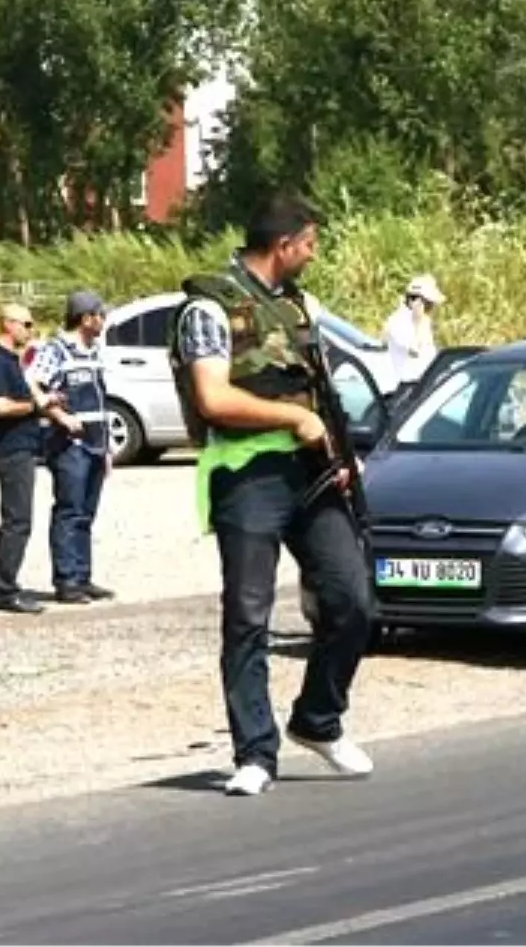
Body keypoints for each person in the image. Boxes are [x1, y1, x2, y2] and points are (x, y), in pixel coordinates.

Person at [171, 193, 374, 798]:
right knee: (247, 619)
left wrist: (337, 450)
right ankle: (255, 753)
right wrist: (290, 420)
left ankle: (317, 719)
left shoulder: (298, 306)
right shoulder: (208, 310)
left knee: (352, 599)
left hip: (312, 474)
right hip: (247, 478)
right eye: (309, 244)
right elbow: (213, 398)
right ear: (283, 245)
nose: (313, 254)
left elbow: (323, 393)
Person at [26, 291, 116, 605]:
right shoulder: (57, 349)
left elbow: (102, 400)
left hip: (95, 444)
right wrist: (60, 416)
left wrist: (107, 450)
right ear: (85, 317)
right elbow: (34, 384)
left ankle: (83, 575)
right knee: (70, 511)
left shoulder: (94, 351)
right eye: (99, 315)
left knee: (86, 514)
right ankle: (66, 581)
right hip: (70, 446)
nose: (103, 320)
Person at [0, 303, 54, 613]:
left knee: (18, 519)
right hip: (11, 450)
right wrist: (36, 406)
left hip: (21, 447)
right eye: (26, 323)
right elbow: (1, 407)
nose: (30, 330)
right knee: (17, 521)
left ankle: (4, 585)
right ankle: (3, 589)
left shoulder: (12, 361)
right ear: (8, 324)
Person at [381, 274, 445, 384]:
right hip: (409, 386)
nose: (431, 309)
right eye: (429, 304)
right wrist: (418, 323)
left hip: (425, 382)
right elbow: (414, 350)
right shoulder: (398, 322)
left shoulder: (422, 321)